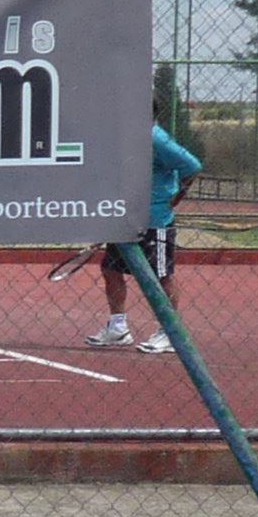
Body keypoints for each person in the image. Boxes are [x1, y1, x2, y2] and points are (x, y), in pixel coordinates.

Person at [87, 120, 203, 354]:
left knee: (162, 276)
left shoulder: (155, 137)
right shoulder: (122, 136)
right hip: (125, 216)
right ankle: (118, 328)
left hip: (155, 219)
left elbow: (192, 166)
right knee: (110, 269)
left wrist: (177, 196)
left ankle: (170, 332)